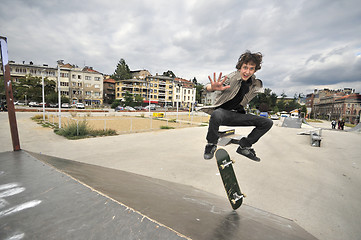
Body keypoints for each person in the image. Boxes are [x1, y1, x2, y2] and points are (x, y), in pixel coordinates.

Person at [200, 50, 273, 161]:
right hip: (222, 115)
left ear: (255, 70)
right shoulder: (231, 78)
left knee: (267, 122)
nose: (247, 72)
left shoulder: (254, 83)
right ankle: (211, 144)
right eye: (245, 67)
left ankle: (244, 146)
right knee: (217, 113)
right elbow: (207, 87)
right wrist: (213, 87)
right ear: (240, 68)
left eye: (251, 69)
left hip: (237, 115)